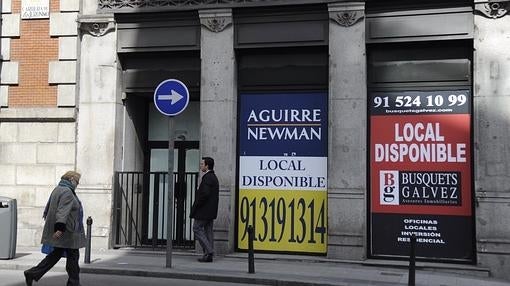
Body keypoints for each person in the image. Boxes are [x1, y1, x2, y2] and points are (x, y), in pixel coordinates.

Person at [24, 171, 86, 286]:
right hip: (68, 233)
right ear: (71, 179)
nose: (78, 183)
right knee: (73, 258)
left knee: (55, 256)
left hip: (64, 231)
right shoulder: (67, 192)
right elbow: (62, 211)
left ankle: (32, 273)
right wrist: (60, 228)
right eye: (77, 181)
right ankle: (73, 283)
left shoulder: (58, 189)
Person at [190, 157, 219, 262]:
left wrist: (197, 204)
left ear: (207, 166)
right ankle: (208, 256)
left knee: (196, 228)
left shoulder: (207, 178)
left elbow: (205, 194)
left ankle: (209, 250)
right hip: (210, 211)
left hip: (204, 210)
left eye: (202, 164)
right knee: (208, 231)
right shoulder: (213, 177)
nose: (200, 166)